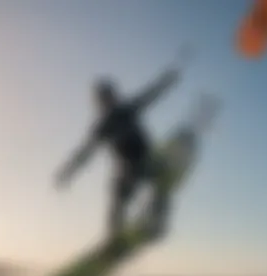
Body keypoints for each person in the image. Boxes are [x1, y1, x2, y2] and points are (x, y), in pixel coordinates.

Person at [54, 49, 192, 240]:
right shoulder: (102, 127)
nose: (110, 102)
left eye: (111, 97)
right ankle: (114, 236)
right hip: (128, 170)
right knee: (118, 195)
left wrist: (167, 80)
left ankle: (156, 222)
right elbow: (84, 153)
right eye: (105, 100)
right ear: (100, 103)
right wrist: (68, 172)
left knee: (165, 181)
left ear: (114, 97)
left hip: (147, 161)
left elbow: (150, 95)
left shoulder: (129, 109)